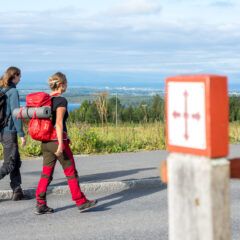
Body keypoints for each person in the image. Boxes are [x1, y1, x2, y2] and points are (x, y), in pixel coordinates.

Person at [35, 72, 97, 215]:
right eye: (66, 83)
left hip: (45, 142)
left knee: (46, 174)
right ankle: (80, 201)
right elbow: (58, 123)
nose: (67, 85)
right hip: (57, 141)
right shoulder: (61, 100)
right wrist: (61, 145)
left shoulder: (46, 100)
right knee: (71, 172)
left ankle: (40, 203)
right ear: (61, 85)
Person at [0, 66, 28, 200]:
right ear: (14, 76)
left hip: (2, 131)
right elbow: (16, 114)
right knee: (9, 163)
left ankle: (17, 191)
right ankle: (17, 189)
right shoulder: (13, 92)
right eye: (19, 76)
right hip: (9, 131)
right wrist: (21, 134)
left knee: (15, 161)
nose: (20, 78)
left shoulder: (2, 89)